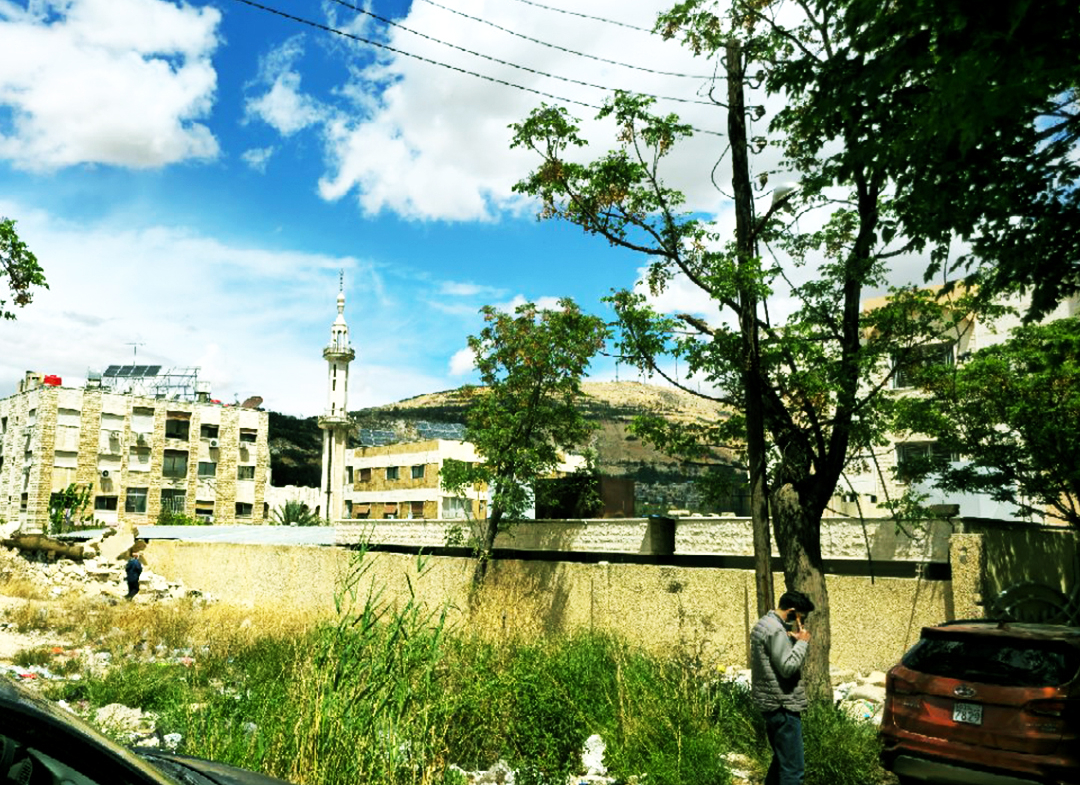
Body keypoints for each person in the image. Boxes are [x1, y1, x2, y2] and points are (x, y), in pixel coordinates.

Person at [750, 590, 815, 785]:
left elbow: (773, 660)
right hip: (783, 706)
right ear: (792, 611)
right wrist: (802, 643)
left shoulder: (764, 624)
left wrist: (790, 642)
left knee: (781, 762)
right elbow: (787, 668)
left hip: (770, 704)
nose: (800, 622)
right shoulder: (776, 630)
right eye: (801, 617)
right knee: (793, 769)